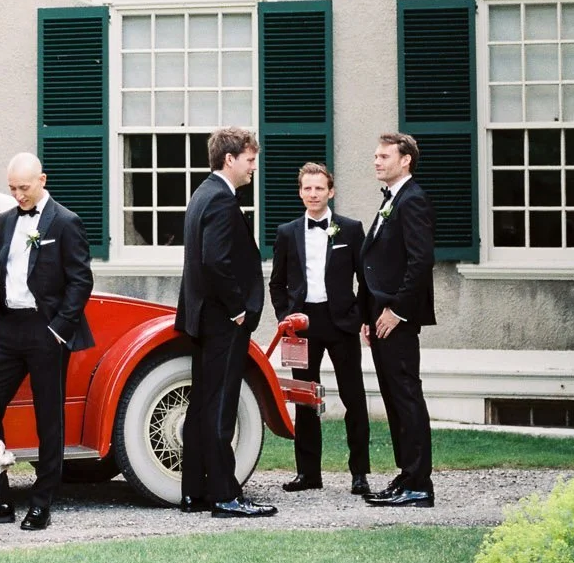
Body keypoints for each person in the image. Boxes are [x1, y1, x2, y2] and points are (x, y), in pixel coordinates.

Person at [0, 152, 94, 530]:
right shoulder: (6, 220)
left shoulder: (66, 221)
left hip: (46, 329)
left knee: (48, 418)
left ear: (42, 180)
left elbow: (80, 280)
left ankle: (42, 501)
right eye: (12, 188)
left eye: (23, 188)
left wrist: (58, 329)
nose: (18, 195)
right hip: (8, 328)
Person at [175, 128, 275, 519]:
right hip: (222, 319)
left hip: (204, 317)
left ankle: (194, 492)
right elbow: (215, 260)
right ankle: (224, 495)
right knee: (220, 407)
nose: (254, 168)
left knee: (203, 403)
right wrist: (237, 307)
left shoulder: (202, 193)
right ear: (230, 159)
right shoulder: (220, 199)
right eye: (250, 160)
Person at [268, 162, 372, 496]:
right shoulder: (287, 232)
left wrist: (359, 316)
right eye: (307, 188)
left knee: (353, 396)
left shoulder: (351, 229)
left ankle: (360, 473)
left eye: (319, 188)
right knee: (305, 400)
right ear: (300, 192)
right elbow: (277, 282)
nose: (313, 194)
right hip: (302, 325)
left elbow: (366, 278)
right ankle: (308, 473)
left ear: (331, 191)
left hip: (340, 322)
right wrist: (286, 318)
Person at [361, 132, 437, 509]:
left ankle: (420, 484)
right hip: (380, 318)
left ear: (405, 160)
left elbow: (420, 262)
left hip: (398, 320)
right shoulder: (392, 199)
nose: (376, 161)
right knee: (393, 399)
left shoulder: (413, 199)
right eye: (375, 155)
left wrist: (397, 311)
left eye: (384, 155)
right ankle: (407, 474)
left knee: (406, 397)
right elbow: (375, 262)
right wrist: (367, 315)